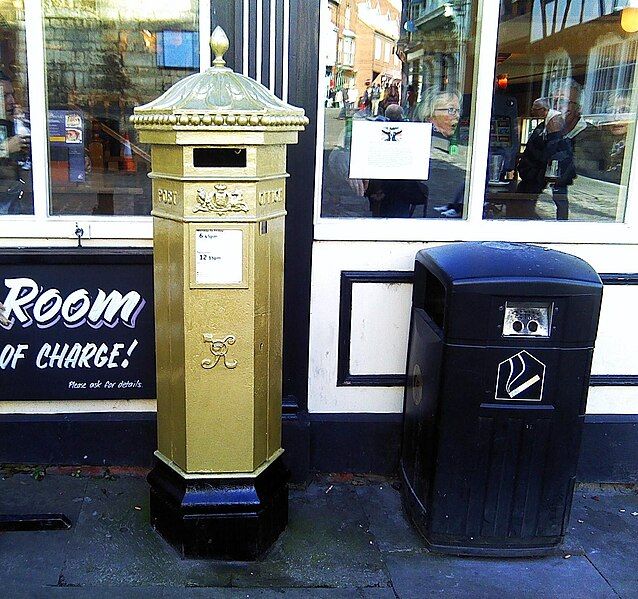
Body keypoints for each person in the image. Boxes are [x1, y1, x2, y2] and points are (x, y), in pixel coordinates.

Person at [414, 89, 463, 217]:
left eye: (458, 111)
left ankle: (455, 206)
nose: (457, 115)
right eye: (451, 110)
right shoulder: (419, 139)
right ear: (431, 114)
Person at [513, 98, 550, 218]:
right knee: (521, 201)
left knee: (526, 203)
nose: (533, 112)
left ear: (544, 110)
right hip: (530, 171)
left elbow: (542, 150)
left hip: (536, 172)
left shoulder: (549, 127)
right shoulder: (542, 125)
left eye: (535, 109)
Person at [0, 71, 30, 215]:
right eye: (5, 95)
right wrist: (5, 148)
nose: (12, 101)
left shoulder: (11, 123)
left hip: (14, 197)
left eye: (12, 94)